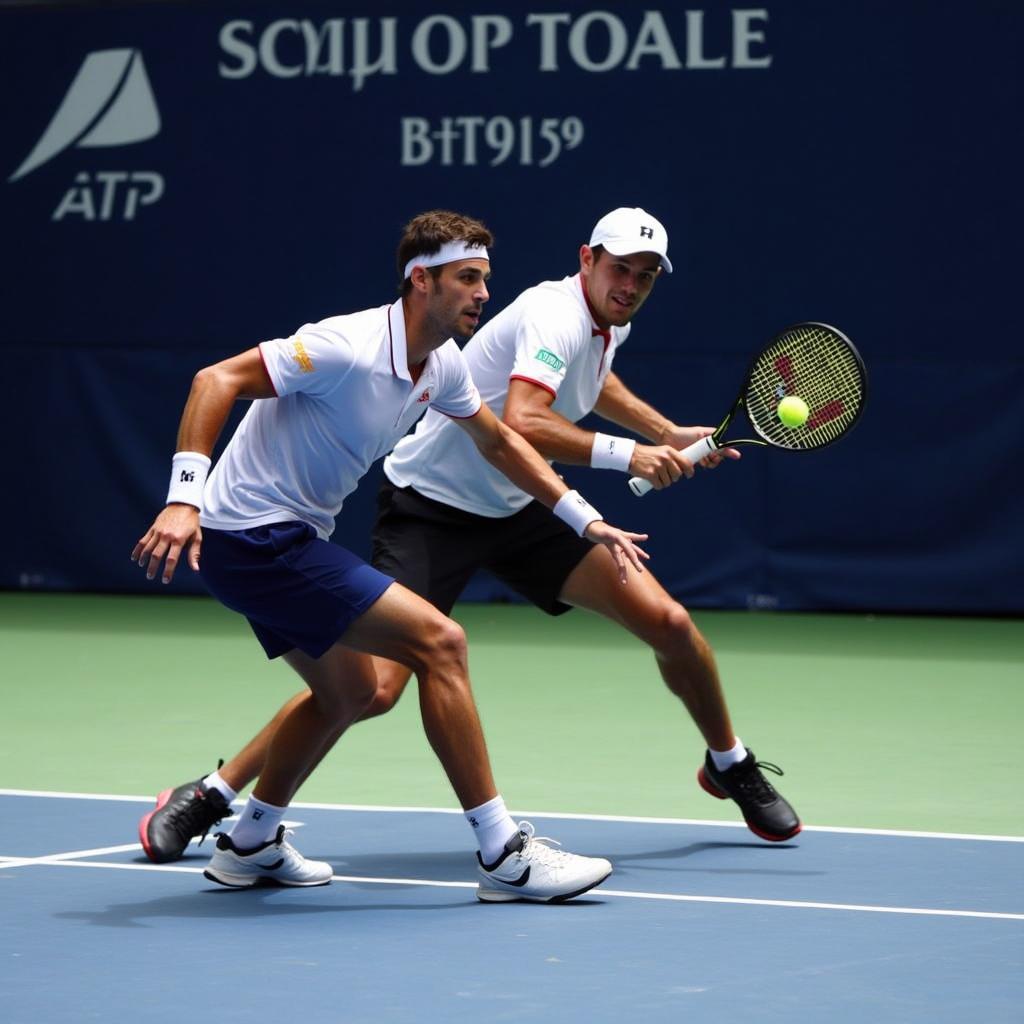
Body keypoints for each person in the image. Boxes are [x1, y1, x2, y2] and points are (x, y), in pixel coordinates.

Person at [141, 206, 799, 875]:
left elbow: (540, 415)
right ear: (587, 260)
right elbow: (526, 420)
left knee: (668, 620)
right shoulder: (482, 325)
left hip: (515, 512)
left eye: (646, 275)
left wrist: (636, 465)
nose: (631, 284)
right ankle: (222, 798)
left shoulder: (516, 346)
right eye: (620, 268)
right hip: (429, 513)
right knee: (380, 686)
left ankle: (729, 764)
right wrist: (183, 499)